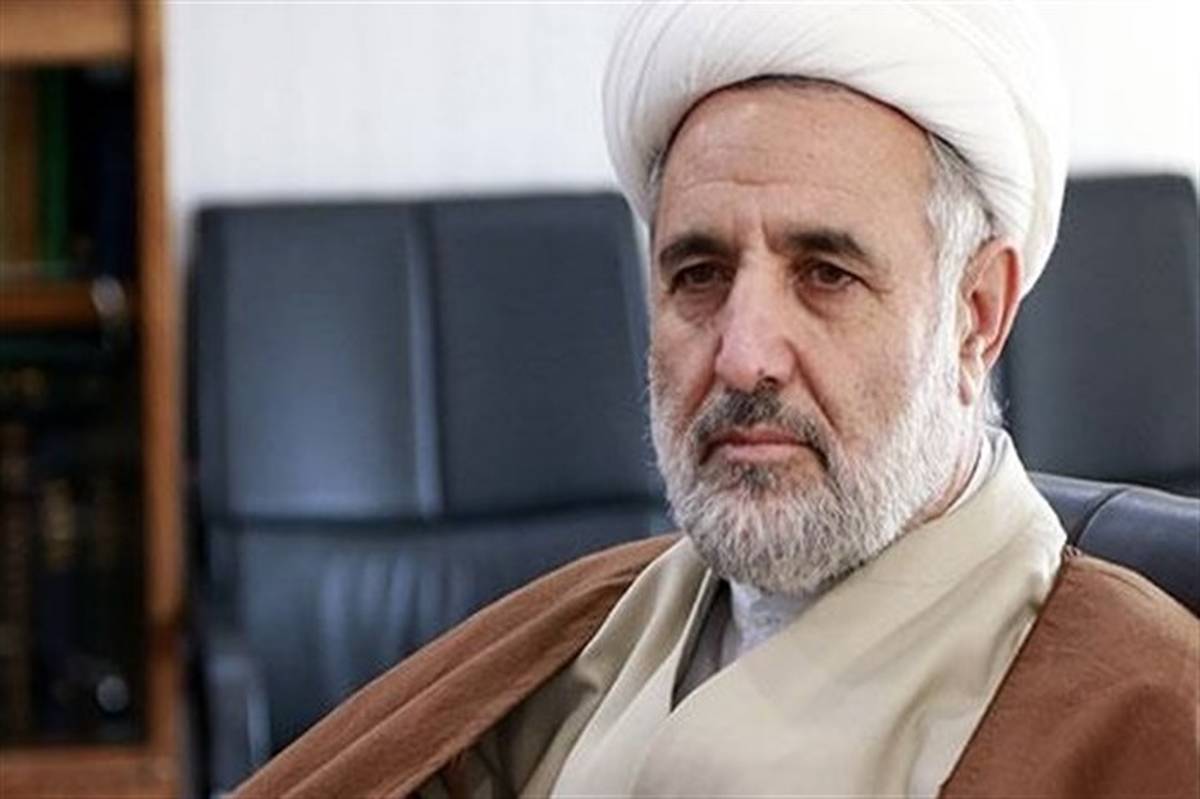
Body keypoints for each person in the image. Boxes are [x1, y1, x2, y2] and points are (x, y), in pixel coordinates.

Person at [236, 4, 1198, 797]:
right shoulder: (581, 636)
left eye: (825, 274)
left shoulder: (1148, 717)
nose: (742, 357)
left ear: (975, 314)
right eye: (698, 274)